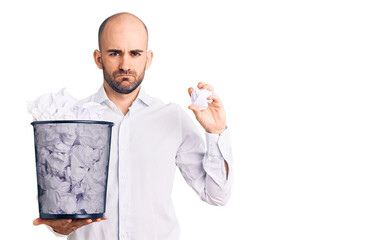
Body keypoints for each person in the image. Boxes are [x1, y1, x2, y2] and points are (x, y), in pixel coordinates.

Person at [33, 12, 233, 240]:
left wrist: (215, 132)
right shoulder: (71, 119)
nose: (125, 64)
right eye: (114, 53)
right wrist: (57, 226)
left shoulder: (173, 118)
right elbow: (59, 199)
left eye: (135, 53)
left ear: (148, 58)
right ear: (98, 58)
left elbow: (217, 195)